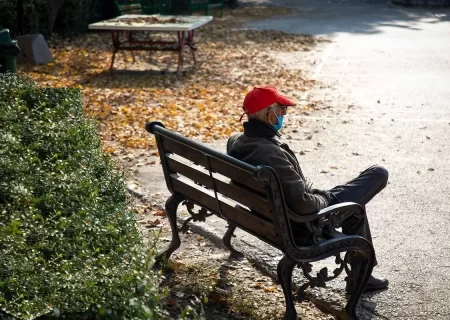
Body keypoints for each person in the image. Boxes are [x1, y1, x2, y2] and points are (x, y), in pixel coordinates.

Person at [227, 85, 389, 293]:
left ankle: (361, 277)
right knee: (378, 174)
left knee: (354, 205)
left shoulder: (236, 142)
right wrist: (322, 197)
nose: (284, 114)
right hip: (304, 225)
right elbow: (305, 205)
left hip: (272, 218)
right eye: (281, 109)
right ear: (268, 114)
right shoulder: (270, 154)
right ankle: (361, 278)